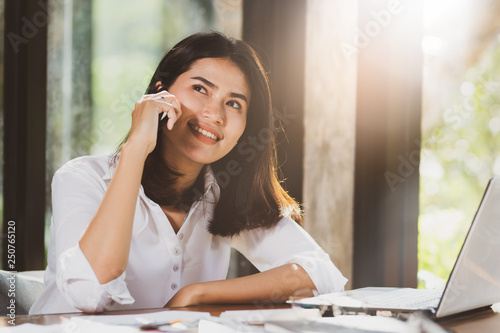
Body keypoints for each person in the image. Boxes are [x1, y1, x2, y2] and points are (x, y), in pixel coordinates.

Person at [30, 32, 347, 315]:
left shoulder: (226, 196)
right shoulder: (82, 178)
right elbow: (88, 294)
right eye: (200, 89)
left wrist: (197, 293)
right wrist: (136, 147)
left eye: (234, 104)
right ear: (160, 95)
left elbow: (323, 277)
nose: (215, 114)